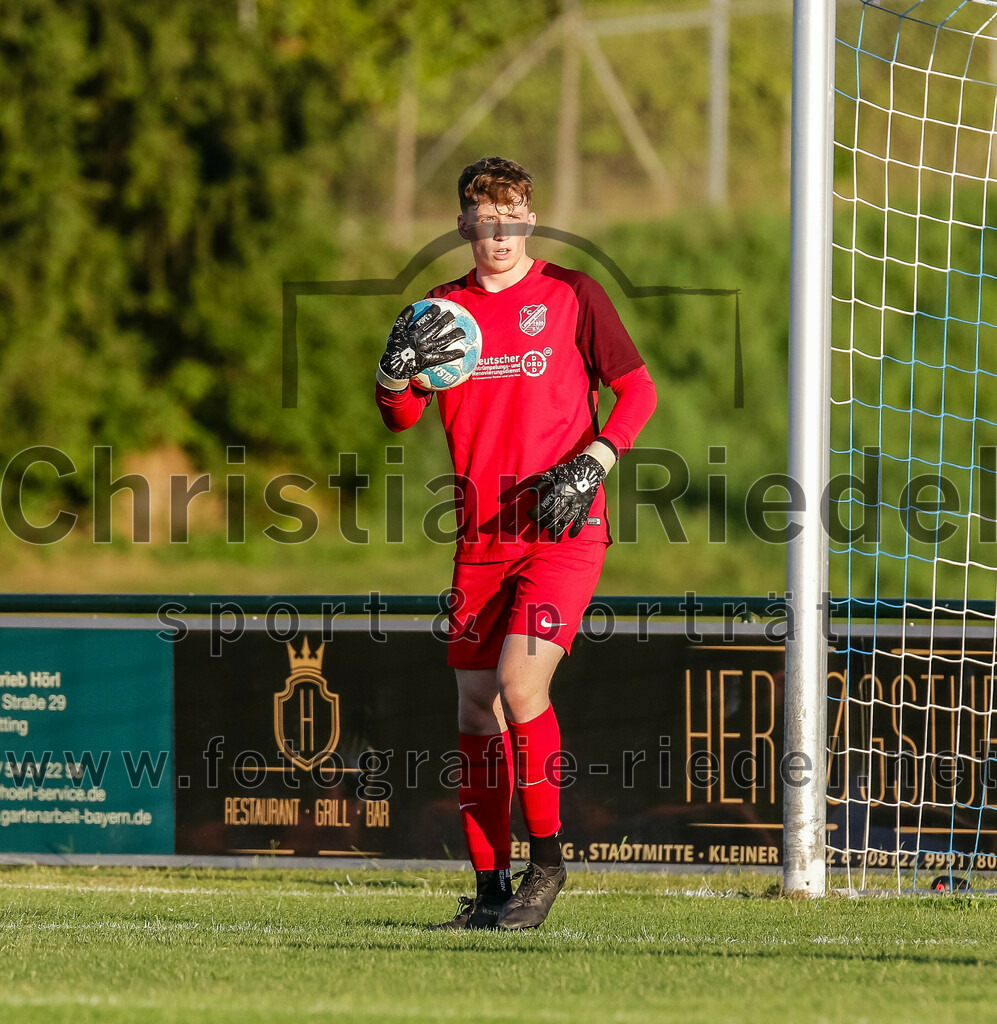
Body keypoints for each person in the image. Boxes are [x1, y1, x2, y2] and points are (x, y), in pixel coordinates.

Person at [375, 156, 657, 930]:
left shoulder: (571, 293)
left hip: (562, 530)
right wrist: (393, 378)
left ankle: (548, 865)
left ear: (529, 219)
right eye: (483, 219)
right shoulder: (440, 311)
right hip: (480, 537)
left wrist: (592, 464)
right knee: (474, 711)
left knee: (518, 687)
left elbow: (637, 389)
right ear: (462, 224)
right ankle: (490, 888)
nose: (498, 233)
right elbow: (400, 417)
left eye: (511, 218)